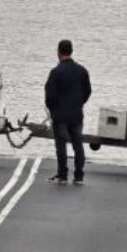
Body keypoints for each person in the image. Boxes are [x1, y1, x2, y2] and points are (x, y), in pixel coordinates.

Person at [45, 39, 92, 185]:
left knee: (61, 145)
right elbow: (88, 91)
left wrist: (53, 111)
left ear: (58, 52)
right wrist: (79, 103)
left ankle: (62, 175)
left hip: (60, 115)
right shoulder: (82, 71)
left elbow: (49, 96)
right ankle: (78, 176)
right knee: (78, 145)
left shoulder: (55, 72)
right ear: (71, 51)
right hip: (76, 114)